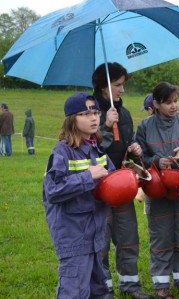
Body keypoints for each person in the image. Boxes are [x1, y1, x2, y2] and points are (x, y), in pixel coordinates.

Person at [43, 92, 116, 298]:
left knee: (98, 289)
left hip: (95, 232)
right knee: (74, 291)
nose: (93, 118)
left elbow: (110, 181)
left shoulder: (97, 149)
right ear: (71, 120)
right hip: (73, 234)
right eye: (85, 113)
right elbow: (53, 191)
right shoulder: (62, 152)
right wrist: (88, 176)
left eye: (95, 112)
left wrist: (130, 174)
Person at [136, 81, 179, 299]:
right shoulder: (145, 126)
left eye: (176, 101)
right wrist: (157, 160)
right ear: (156, 104)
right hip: (158, 190)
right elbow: (139, 158)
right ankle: (161, 284)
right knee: (161, 235)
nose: (174, 106)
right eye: (168, 103)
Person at [92, 62, 150, 299]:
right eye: (117, 85)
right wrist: (104, 125)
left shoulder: (124, 114)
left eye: (123, 84)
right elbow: (90, 149)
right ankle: (103, 288)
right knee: (102, 244)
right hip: (99, 190)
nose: (122, 90)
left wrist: (134, 148)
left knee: (128, 238)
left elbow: (124, 145)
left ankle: (130, 285)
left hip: (123, 186)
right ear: (104, 88)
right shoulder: (90, 113)